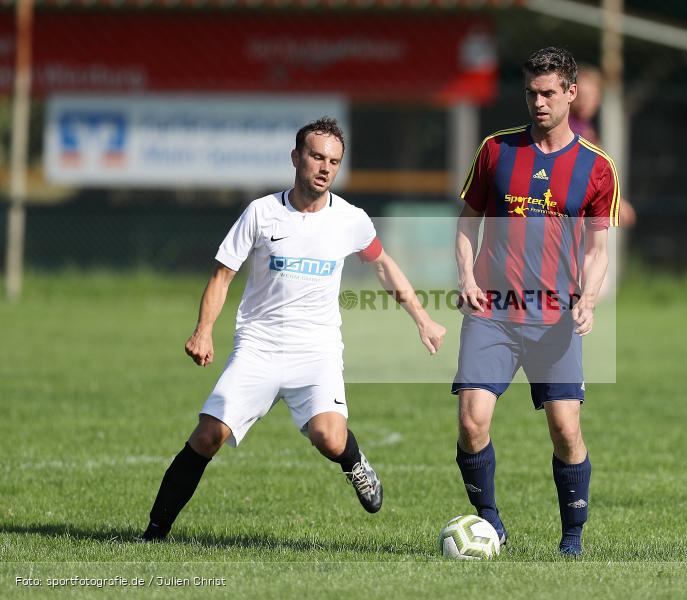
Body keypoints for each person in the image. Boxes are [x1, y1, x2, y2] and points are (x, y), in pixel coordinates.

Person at [139, 117, 446, 542]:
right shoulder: (262, 213)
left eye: (334, 161)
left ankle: (355, 464)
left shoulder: (351, 219)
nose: (324, 168)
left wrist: (423, 318)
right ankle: (154, 533)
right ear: (296, 158)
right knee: (209, 434)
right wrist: (203, 330)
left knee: (328, 435)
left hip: (316, 352)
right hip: (258, 348)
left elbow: (382, 265)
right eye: (317, 156)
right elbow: (222, 276)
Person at [452, 47, 618, 556]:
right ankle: (489, 524)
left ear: (572, 93)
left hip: (555, 317)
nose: (538, 102)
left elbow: (597, 247)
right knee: (471, 420)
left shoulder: (595, 167)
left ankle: (572, 540)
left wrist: (587, 298)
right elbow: (467, 223)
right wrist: (465, 276)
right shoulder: (496, 151)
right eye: (531, 92)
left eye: (549, 93)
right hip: (493, 312)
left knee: (566, 429)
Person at [569, 64, 636, 228]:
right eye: (581, 95)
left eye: (590, 95)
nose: (584, 101)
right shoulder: (568, 130)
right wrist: (616, 202)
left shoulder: (585, 129)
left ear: (598, 99)